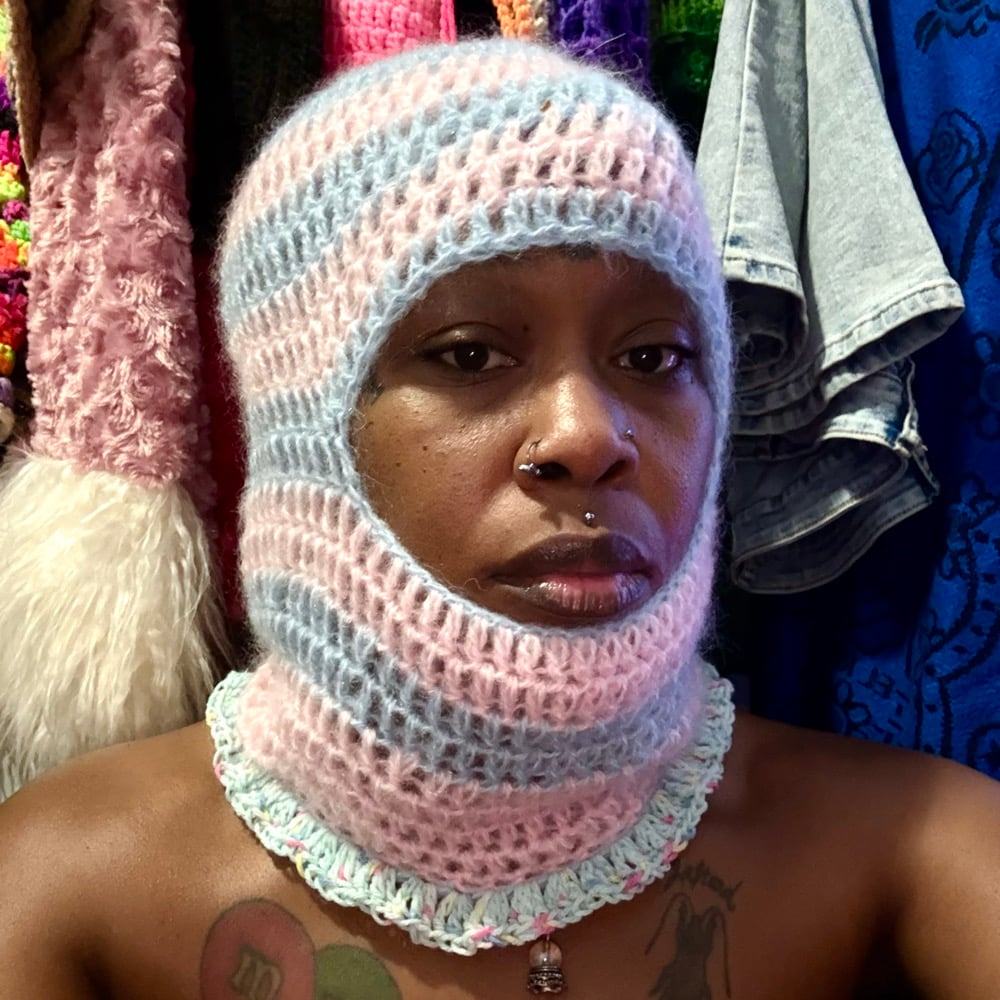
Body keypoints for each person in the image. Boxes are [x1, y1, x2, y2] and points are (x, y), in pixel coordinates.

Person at [2, 37, 1000, 1000]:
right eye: (470, 354)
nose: (588, 436)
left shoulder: (914, 849)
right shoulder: (66, 890)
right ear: (303, 416)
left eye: (654, 357)